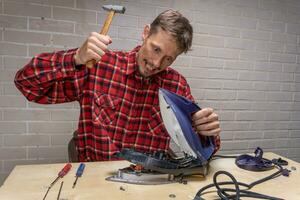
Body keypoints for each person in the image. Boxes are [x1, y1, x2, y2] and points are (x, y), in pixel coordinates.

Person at [15, 9, 221, 162]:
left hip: (147, 183)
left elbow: (204, 150)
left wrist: (205, 132)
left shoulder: (176, 85)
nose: (157, 64)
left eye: (169, 58)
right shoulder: (98, 66)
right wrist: (75, 58)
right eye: (156, 50)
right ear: (146, 33)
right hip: (95, 180)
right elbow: (27, 84)